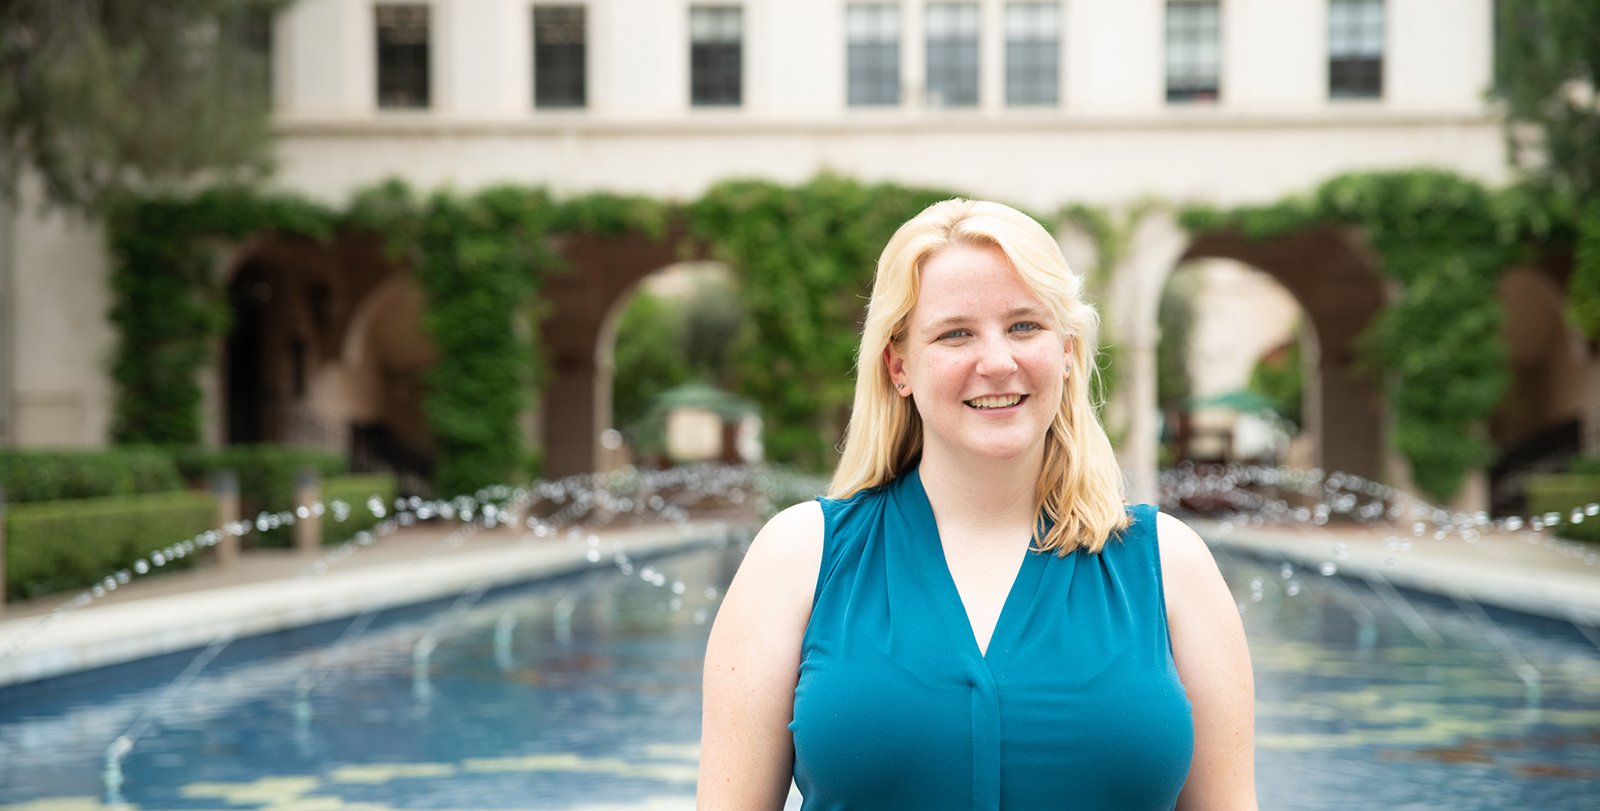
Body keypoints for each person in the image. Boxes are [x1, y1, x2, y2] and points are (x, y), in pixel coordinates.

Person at [699, 199, 1256, 810]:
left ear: (1067, 352)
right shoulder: (798, 558)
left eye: (1025, 326)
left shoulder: (1171, 565)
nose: (997, 362)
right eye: (955, 333)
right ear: (898, 365)